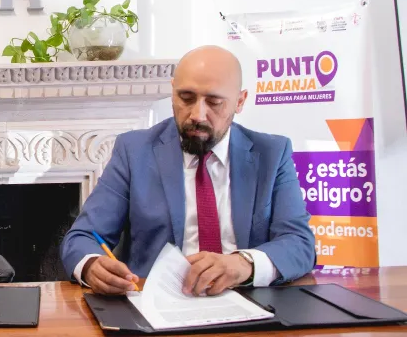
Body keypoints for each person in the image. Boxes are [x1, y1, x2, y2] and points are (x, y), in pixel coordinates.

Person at [61, 45, 315, 297]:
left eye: (214, 102)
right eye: (186, 98)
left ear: (240, 101)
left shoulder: (272, 154)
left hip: (247, 300)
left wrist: (243, 264)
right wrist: (91, 266)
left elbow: (300, 244)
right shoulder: (134, 151)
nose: (197, 115)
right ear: (172, 91)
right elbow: (82, 237)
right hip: (154, 302)